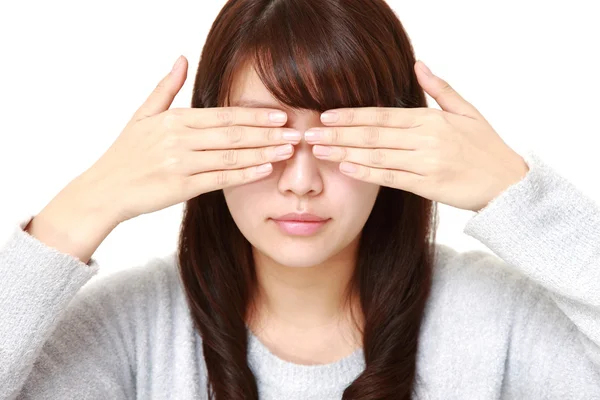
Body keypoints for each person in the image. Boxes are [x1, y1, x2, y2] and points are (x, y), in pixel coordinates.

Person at [1, 0, 599, 399]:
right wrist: (86, 205)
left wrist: (518, 196)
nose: (302, 180)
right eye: (267, 134)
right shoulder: (127, 326)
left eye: (338, 136)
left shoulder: (498, 315)